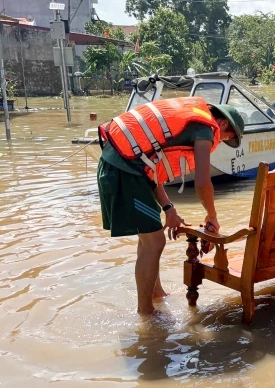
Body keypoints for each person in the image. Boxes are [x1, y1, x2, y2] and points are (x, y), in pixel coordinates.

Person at [96, 97, 245, 316]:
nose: (220, 142)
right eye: (226, 138)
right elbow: (203, 182)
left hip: (121, 166)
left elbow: (151, 169)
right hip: (124, 172)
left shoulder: (190, 121)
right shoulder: (205, 128)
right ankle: (146, 313)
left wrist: (169, 209)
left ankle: (157, 295)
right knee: (154, 241)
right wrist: (212, 216)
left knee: (149, 239)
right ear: (222, 124)